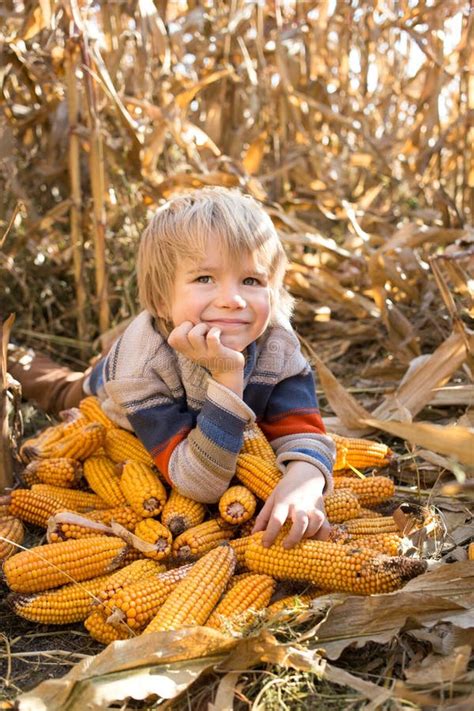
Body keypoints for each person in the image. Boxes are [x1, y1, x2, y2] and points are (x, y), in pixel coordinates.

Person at [10, 187, 335, 548]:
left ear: (272, 293)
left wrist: (305, 480)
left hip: (178, 375)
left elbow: (305, 433)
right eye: (204, 278)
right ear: (162, 299)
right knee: (63, 390)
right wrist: (228, 378)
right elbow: (199, 484)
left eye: (251, 280)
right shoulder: (137, 371)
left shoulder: (277, 347)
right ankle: (11, 352)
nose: (233, 300)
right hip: (113, 387)